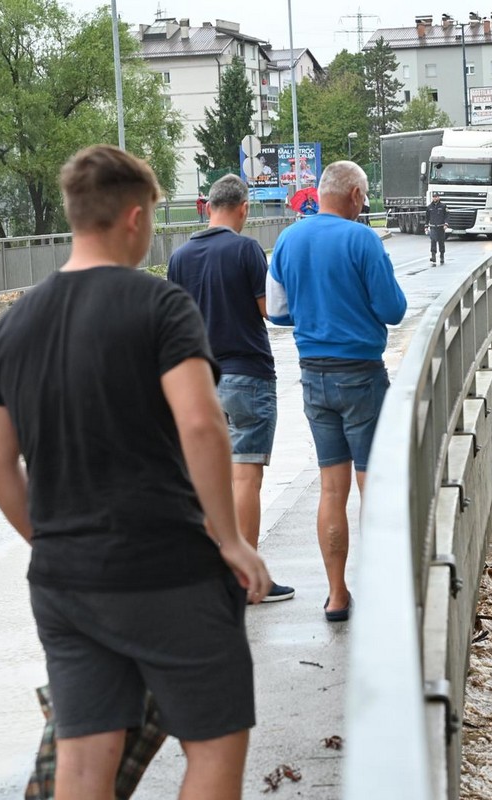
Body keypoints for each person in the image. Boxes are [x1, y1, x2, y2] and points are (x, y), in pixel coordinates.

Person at [0, 145, 271, 799]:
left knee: (84, 762)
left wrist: (50, 539)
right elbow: (201, 424)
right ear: (134, 218)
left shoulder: (11, 327)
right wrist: (230, 539)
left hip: (63, 581)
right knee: (214, 746)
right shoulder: (160, 306)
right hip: (166, 567)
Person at [265, 161, 407, 623]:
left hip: (313, 377)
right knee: (372, 484)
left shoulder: (288, 240)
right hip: (362, 375)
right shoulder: (362, 239)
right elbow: (393, 309)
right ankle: (381, 587)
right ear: (353, 195)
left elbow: (280, 313)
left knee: (332, 486)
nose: (364, 204)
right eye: (363, 197)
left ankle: (337, 596)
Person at [168, 174, 294, 603]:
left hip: (198, 381)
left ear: (207, 208)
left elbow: (173, 326)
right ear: (242, 208)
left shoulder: (180, 256)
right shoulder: (245, 249)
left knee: (205, 481)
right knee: (245, 479)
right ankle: (246, 578)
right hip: (247, 376)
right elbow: (270, 310)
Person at [426, 192, 448, 265]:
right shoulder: (429, 207)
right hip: (433, 227)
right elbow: (427, 218)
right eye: (434, 197)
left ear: (439, 197)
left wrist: (446, 224)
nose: (435, 198)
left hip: (441, 227)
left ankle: (442, 256)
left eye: (436, 197)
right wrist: (426, 226)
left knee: (441, 242)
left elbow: (447, 216)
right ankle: (433, 256)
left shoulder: (443, 206)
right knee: (433, 241)